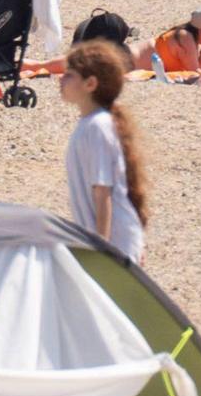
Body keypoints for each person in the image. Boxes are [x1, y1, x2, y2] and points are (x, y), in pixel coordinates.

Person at [58, 40, 147, 259]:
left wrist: (101, 248)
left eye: (69, 75)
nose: (61, 79)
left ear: (90, 84)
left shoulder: (98, 126)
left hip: (113, 243)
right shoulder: (90, 124)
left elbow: (102, 192)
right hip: (106, 240)